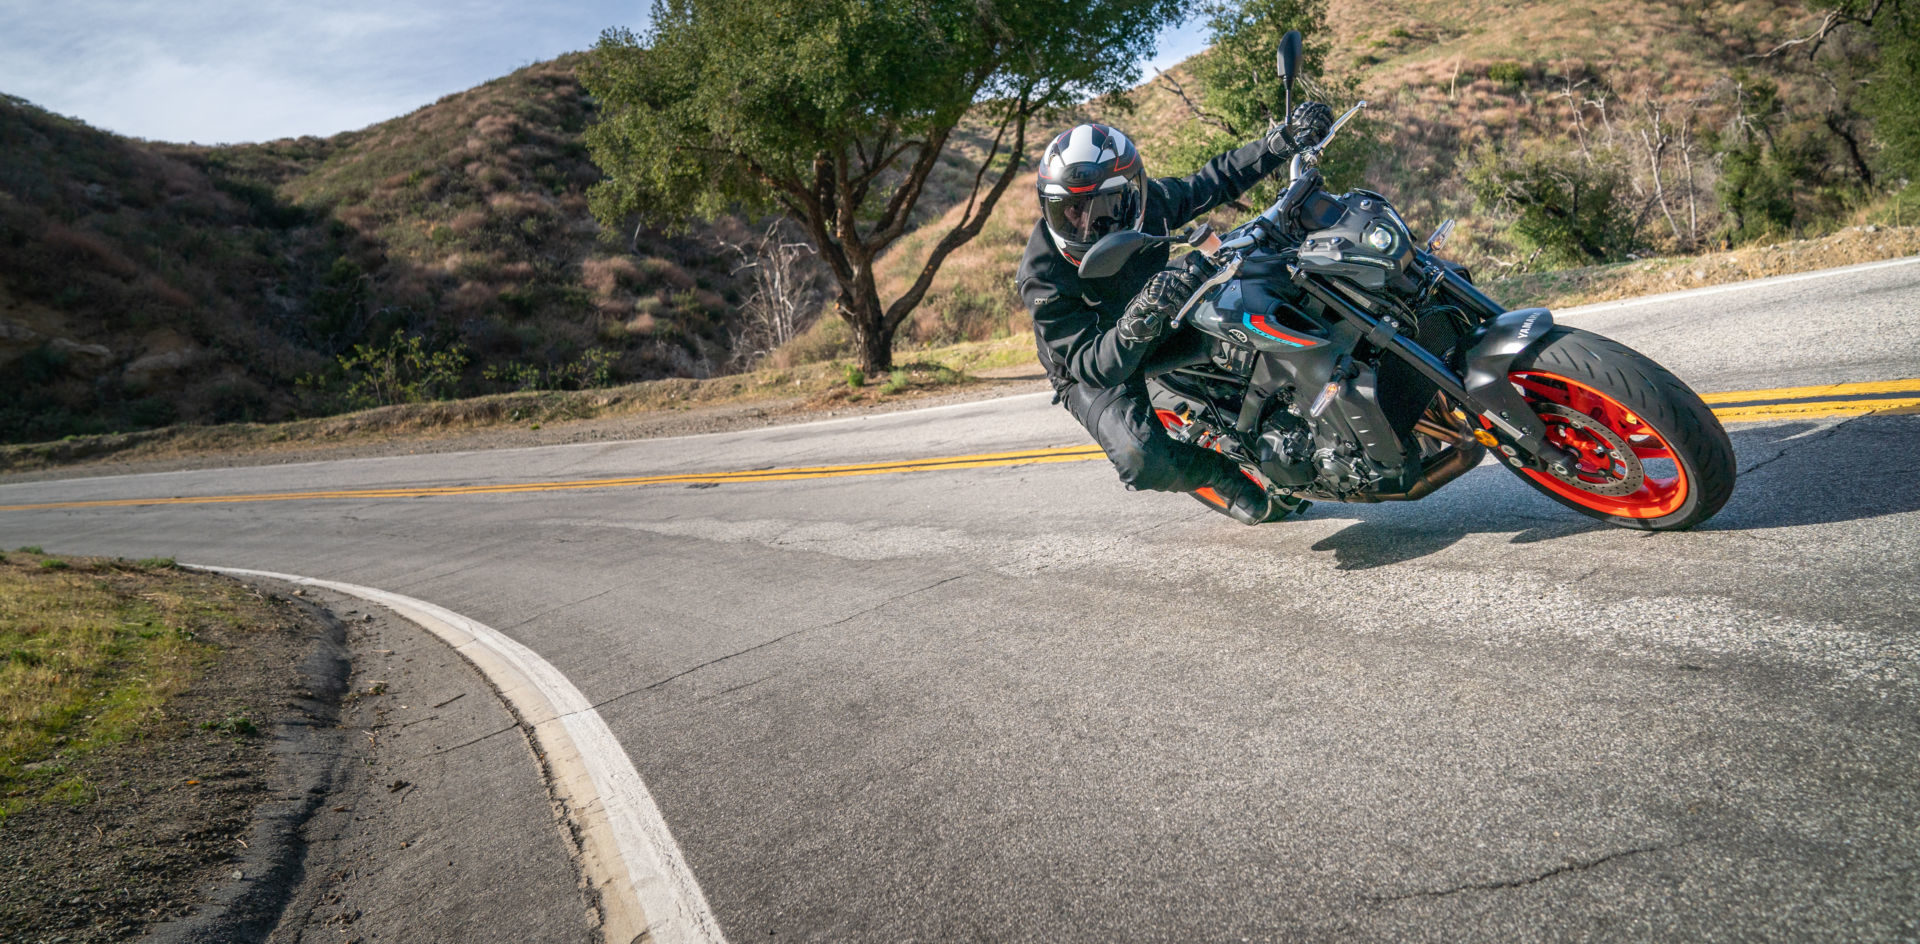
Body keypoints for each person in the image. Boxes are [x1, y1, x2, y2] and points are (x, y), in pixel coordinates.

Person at [1017, 104, 1334, 525]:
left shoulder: (1152, 205)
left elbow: (1213, 180)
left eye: (1104, 205)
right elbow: (1093, 365)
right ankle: (1223, 476)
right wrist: (1139, 318)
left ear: (1133, 193)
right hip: (1092, 362)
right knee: (1139, 458)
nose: (1086, 224)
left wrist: (1280, 143)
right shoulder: (1042, 277)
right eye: (1069, 210)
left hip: (1163, 312)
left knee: (1259, 312)